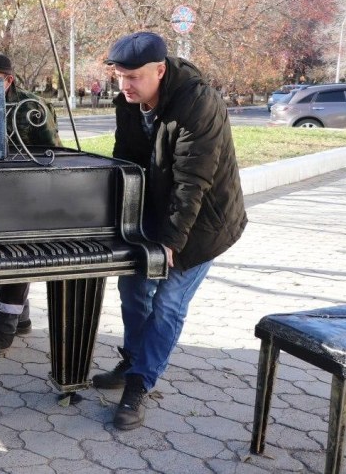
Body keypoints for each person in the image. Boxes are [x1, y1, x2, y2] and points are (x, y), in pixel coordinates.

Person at [92, 32, 247, 430]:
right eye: (119, 76)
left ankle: (139, 385)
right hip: (155, 214)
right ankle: (133, 362)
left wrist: (171, 242)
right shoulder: (127, 102)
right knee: (132, 288)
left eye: (134, 77)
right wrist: (113, 221)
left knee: (168, 304)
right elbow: (126, 162)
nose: (125, 85)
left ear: (160, 70)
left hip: (202, 222)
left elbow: (191, 182)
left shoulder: (198, 104)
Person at [0, 52, 62, 357]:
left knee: (13, 255)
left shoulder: (32, 106)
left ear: (8, 80)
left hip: (26, 195)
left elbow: (54, 154)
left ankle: (4, 328)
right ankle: (19, 318)